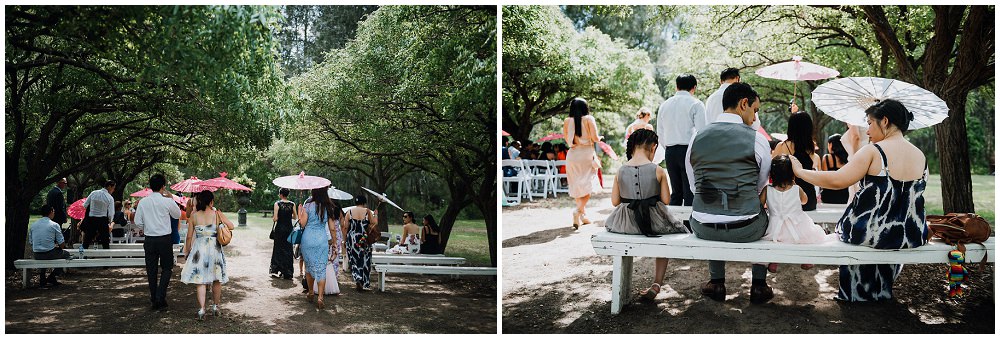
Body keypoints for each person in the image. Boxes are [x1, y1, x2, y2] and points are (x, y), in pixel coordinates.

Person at [790, 99, 928, 302]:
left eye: (870, 123)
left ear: (885, 121)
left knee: (846, 229)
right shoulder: (920, 155)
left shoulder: (874, 151)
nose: (868, 131)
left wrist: (800, 172)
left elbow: (837, 181)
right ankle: (881, 290)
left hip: (870, 232)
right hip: (909, 234)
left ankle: (856, 294)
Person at [685, 82, 774, 304]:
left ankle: (716, 283)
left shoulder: (697, 137)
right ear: (744, 104)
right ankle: (759, 286)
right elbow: (760, 186)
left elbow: (694, 185)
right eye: (755, 110)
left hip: (703, 227)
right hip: (747, 229)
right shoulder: (758, 139)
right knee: (765, 215)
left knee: (711, 213)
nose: (755, 118)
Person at [605, 129, 688, 301]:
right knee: (665, 236)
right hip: (654, 223)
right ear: (653, 147)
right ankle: (657, 283)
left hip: (625, 224)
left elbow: (615, 202)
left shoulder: (620, 171)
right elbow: (666, 200)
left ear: (633, 147)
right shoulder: (658, 170)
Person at [760, 155, 828, 272]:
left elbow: (760, 204)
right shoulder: (797, 188)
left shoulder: (767, 189)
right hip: (798, 225)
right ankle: (806, 259)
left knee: (777, 241)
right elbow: (805, 201)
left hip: (775, 226)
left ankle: (774, 261)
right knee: (804, 240)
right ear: (792, 173)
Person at [180, 190, 235, 320]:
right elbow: (231, 226)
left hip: (199, 250)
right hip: (214, 249)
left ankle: (201, 310)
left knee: (200, 280)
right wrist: (220, 216)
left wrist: (187, 251)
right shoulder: (216, 214)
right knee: (216, 279)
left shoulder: (194, 216)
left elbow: (188, 237)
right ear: (211, 201)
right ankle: (216, 307)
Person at [134, 174, 181, 311]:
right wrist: (172, 198)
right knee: (167, 268)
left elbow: (138, 222)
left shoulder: (143, 202)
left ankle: (155, 297)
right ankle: (160, 296)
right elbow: (177, 215)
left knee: (151, 270)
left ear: (150, 186)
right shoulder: (167, 201)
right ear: (163, 186)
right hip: (164, 239)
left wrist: (146, 227)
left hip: (149, 239)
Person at [657, 74, 705, 206]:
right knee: (690, 192)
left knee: (676, 192)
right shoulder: (696, 104)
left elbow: (660, 133)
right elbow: (702, 132)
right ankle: (689, 227)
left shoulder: (664, 105)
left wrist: (668, 148)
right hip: (689, 151)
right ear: (694, 88)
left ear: (676, 86)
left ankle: (673, 225)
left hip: (670, 151)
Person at [298, 187, 345, 308]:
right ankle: (320, 297)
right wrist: (334, 243)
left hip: (308, 238)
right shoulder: (328, 207)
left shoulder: (308, 205)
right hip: (321, 240)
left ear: (313, 192)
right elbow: (332, 228)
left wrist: (301, 213)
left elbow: (302, 224)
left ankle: (310, 292)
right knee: (321, 268)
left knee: (308, 267)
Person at [563, 98, 601, 229]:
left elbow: (566, 138)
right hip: (586, 154)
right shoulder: (589, 119)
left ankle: (583, 216)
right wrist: (600, 138)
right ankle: (578, 211)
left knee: (577, 185)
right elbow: (595, 138)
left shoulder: (567, 121)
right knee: (588, 184)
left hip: (572, 154)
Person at [772, 112, 821, 211]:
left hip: (787, 196)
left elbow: (772, 170)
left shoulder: (781, 146)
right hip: (808, 198)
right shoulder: (811, 147)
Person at [28, 204, 73, 287]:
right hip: (49, 253)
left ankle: (42, 277)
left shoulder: (33, 225)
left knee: (44, 252)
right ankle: (52, 276)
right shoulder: (54, 225)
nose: (54, 214)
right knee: (66, 255)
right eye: (53, 212)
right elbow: (62, 243)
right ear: (51, 212)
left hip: (37, 254)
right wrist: (59, 247)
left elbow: (31, 242)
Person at [343, 194, 378, 291]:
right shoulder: (367, 211)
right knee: (365, 259)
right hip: (364, 238)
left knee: (354, 260)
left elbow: (345, 227)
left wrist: (344, 240)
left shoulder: (349, 212)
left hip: (352, 238)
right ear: (364, 203)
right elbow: (374, 223)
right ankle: (364, 281)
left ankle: (357, 278)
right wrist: (375, 214)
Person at [270, 188, 297, 279]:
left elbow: (275, 219)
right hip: (289, 228)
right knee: (288, 249)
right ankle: (287, 272)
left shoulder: (277, 204)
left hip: (280, 229)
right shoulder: (292, 204)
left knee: (278, 248)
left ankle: (277, 269)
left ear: (280, 194)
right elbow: (295, 217)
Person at [82, 180, 116, 249]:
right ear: (109, 186)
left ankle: (82, 256)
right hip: (102, 220)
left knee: (87, 240)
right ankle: (106, 257)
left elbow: (85, 205)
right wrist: (110, 221)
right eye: (113, 188)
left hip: (91, 219)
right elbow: (111, 213)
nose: (113, 190)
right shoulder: (110, 198)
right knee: (105, 241)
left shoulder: (93, 193)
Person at [819, 134, 850, 204]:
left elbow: (824, 178)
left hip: (829, 196)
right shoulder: (848, 158)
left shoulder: (827, 158)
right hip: (845, 196)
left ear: (831, 145)